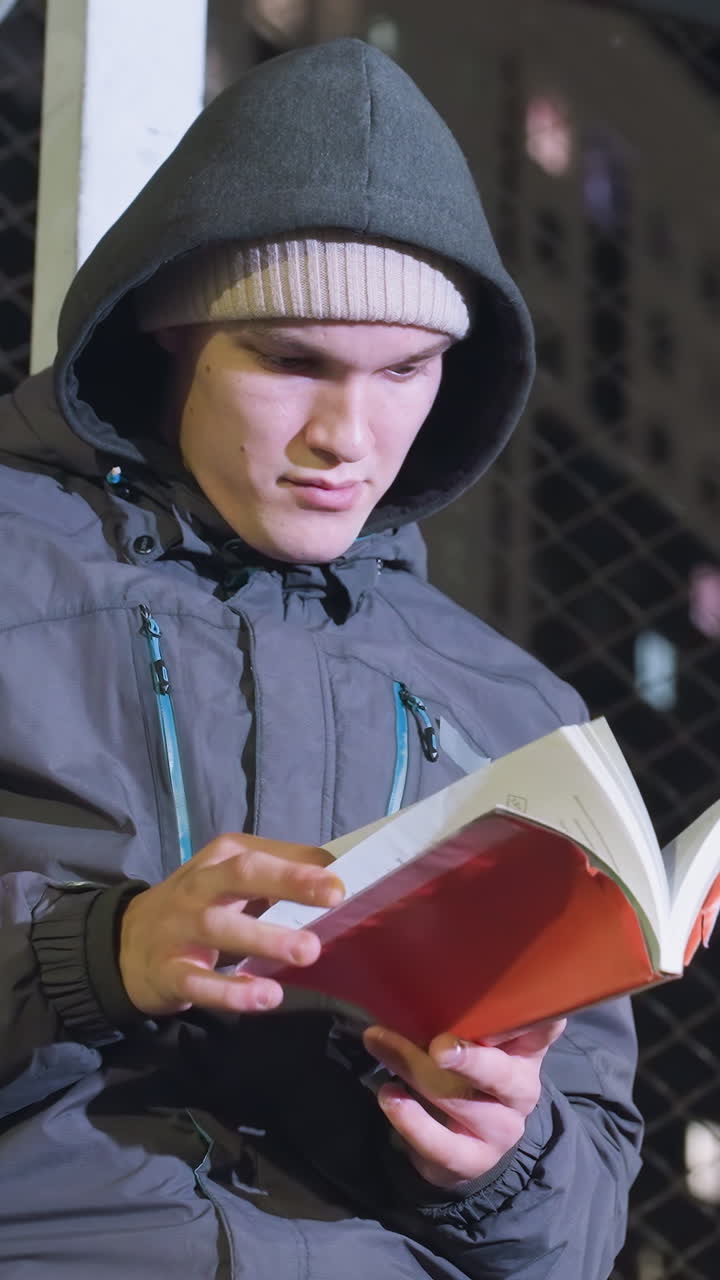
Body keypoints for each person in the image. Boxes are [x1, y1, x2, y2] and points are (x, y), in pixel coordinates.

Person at [0, 36, 641, 1279]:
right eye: (291, 361)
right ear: (171, 333)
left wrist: (495, 1151)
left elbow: (579, 1230)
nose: (349, 436)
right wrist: (102, 956)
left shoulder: (517, 710)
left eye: (407, 370)